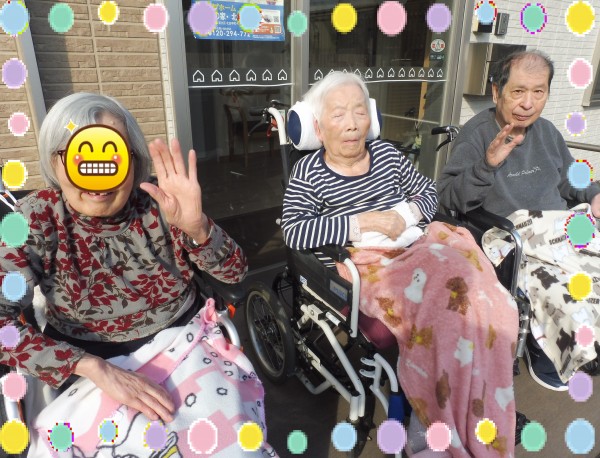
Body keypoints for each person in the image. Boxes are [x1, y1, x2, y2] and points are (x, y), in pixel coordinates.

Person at [281, 72, 519, 457]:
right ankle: (437, 421)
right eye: (338, 114)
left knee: (497, 307)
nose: (352, 123)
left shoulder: (388, 155)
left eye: (360, 111)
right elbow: (294, 230)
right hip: (374, 264)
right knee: (447, 318)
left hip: (421, 244)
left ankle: (483, 400)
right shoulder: (308, 173)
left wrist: (404, 215)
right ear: (318, 128)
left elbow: (427, 193)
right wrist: (362, 223)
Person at [0, 93, 248, 423]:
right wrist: (90, 366)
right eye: (79, 155)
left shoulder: (161, 201)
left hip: (184, 342)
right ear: (55, 161)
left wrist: (198, 229)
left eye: (113, 154)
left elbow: (235, 274)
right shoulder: (35, 218)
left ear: (133, 160)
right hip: (88, 365)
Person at [437, 50, 600, 391]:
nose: (528, 103)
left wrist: (594, 193)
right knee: (562, 292)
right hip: (510, 238)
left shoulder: (547, 132)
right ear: (497, 92)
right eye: (518, 91)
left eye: (538, 92)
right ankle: (548, 353)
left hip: (559, 228)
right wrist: (487, 165)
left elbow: (571, 180)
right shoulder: (477, 134)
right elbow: (449, 197)